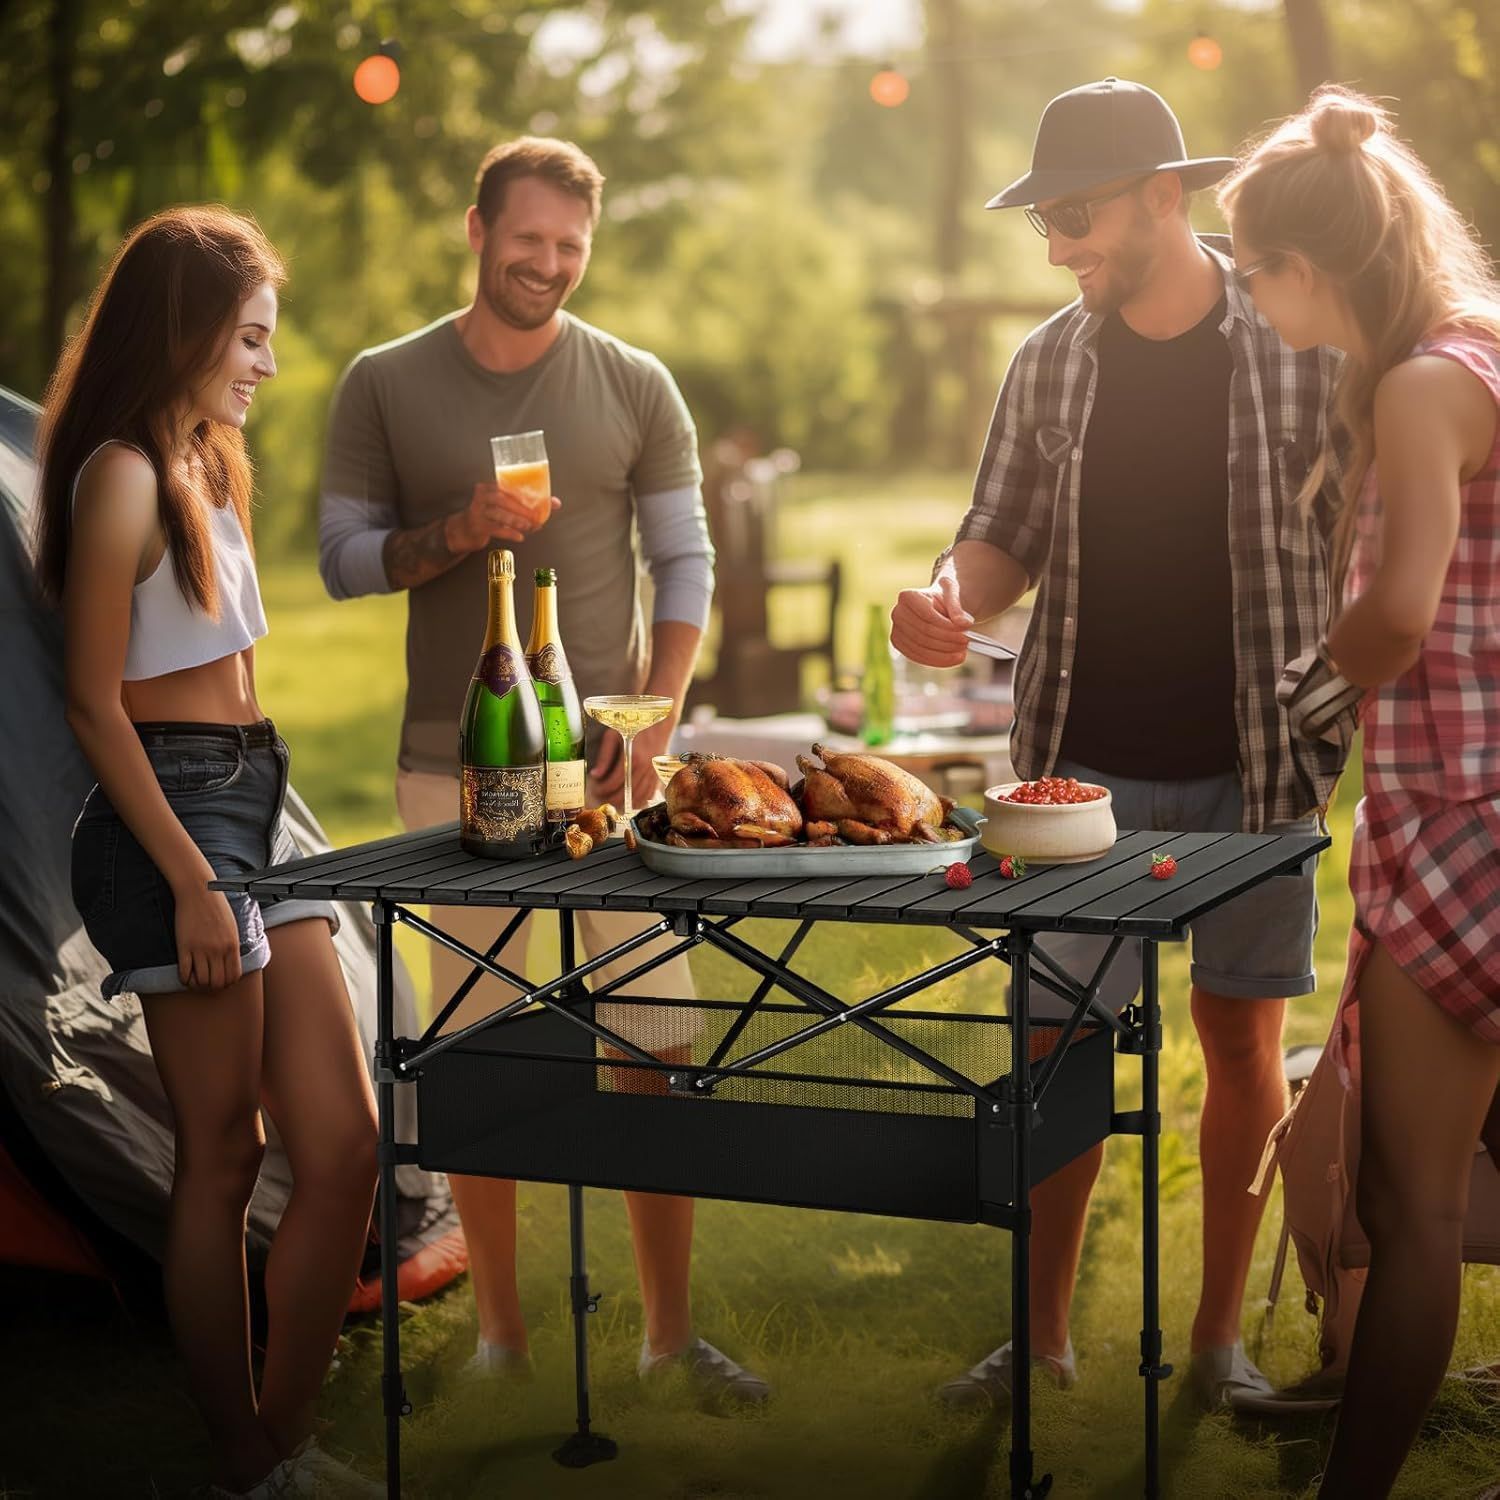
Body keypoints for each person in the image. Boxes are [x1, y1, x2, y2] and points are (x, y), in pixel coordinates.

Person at [889, 78, 1347, 1412]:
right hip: (1071, 773)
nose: (1057, 245)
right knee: (1054, 1050)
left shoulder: (1297, 341)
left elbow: (1369, 527)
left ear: (1165, 196)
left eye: (1074, 215)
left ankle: (1216, 1349)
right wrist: (949, 593)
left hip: (1257, 767)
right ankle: (1038, 1344)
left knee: (1245, 1045)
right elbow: (999, 531)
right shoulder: (1052, 358)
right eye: (1044, 222)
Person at [318, 137, 768, 1401]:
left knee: (659, 1043)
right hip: (451, 778)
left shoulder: (634, 382)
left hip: (610, 787)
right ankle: (505, 1343)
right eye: (530, 240)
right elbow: (341, 559)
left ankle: (670, 1338)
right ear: (478, 230)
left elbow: (687, 562)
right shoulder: (384, 382)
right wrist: (458, 531)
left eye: (572, 245)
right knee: (477, 1055)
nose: (551, 265)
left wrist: (664, 711)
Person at [33, 207, 380, 1499]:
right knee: (224, 1154)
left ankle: (278, 1447)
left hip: (257, 797)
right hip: (167, 821)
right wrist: (185, 875)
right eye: (247, 338)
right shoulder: (118, 471)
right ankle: (245, 1455)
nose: (265, 366)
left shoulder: (205, 463)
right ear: (179, 331)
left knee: (341, 1146)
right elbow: (91, 705)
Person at [1219, 86, 1500, 1498]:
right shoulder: (1477, 354)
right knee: (1418, 1195)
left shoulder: (1418, 384)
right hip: (1464, 805)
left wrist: (1300, 693)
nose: (1248, 296)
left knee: (1410, 1203)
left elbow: (1398, 611)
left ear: (1307, 268)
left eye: (1250, 268)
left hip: (1466, 830)